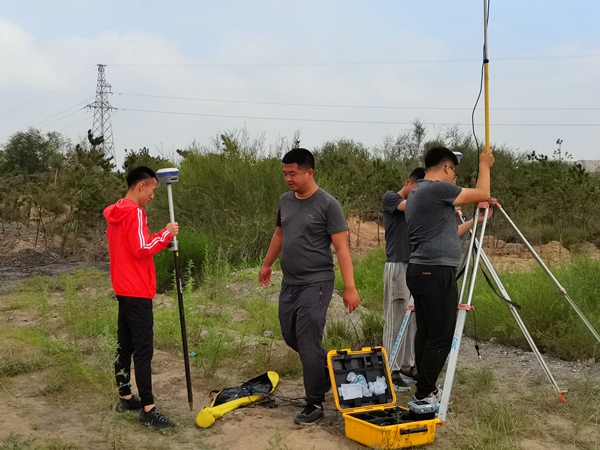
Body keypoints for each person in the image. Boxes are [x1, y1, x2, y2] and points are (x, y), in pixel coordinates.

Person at [258, 148, 361, 425]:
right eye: (285, 174)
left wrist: (349, 287)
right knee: (291, 335)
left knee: (306, 339)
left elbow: (342, 249)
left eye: (293, 173)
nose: (288, 179)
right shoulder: (285, 201)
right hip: (290, 282)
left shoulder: (328, 204)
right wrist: (267, 264)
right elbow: (279, 234)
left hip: (317, 282)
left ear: (309, 172)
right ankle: (330, 369)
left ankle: (314, 403)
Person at [405, 147, 494, 406]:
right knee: (441, 334)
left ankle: (425, 387)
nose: (454, 176)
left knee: (427, 332)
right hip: (435, 271)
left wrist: (476, 220)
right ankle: (424, 395)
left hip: (421, 270)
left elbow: (447, 235)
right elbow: (482, 194)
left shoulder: (419, 193)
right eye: (454, 170)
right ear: (446, 167)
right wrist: (484, 165)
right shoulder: (436, 189)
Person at [104, 166, 179, 430]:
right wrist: (166, 233)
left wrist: (160, 237)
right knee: (143, 349)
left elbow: (126, 247)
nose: (153, 196)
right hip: (135, 289)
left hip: (123, 287)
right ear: (141, 186)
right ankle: (148, 409)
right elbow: (141, 248)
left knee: (124, 345)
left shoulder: (115, 212)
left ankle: (126, 397)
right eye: (153, 190)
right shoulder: (134, 213)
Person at [381, 167, 425, 393]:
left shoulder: (419, 210)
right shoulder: (392, 198)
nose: (420, 195)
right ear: (408, 182)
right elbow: (411, 206)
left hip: (416, 266)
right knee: (396, 318)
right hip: (397, 265)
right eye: (419, 189)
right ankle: (391, 369)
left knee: (413, 322)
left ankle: (407, 366)